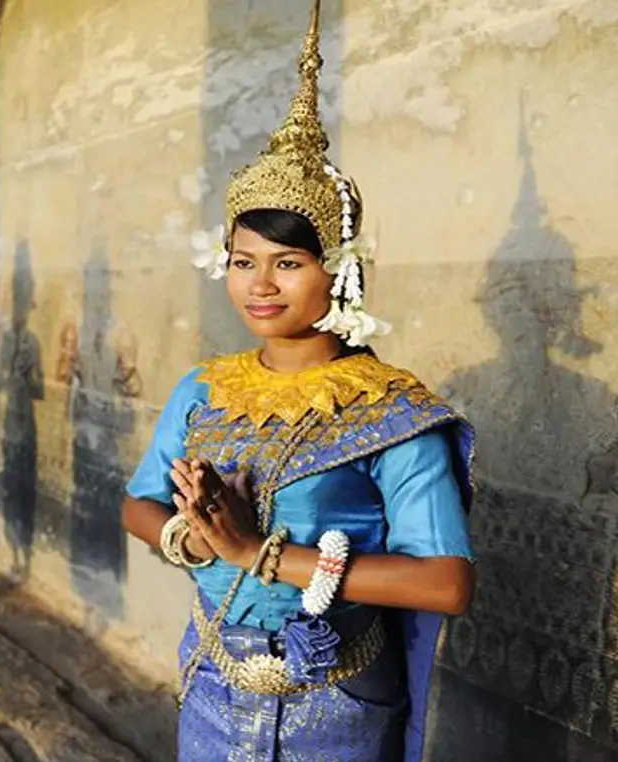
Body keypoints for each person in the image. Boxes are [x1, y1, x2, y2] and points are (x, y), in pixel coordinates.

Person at [120, 3, 476, 760]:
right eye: (242, 262)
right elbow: (138, 503)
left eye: (288, 263)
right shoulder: (204, 391)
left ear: (338, 270)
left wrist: (258, 553)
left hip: (335, 697)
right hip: (213, 677)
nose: (260, 285)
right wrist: (190, 537)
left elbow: (445, 583)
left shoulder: (390, 410)